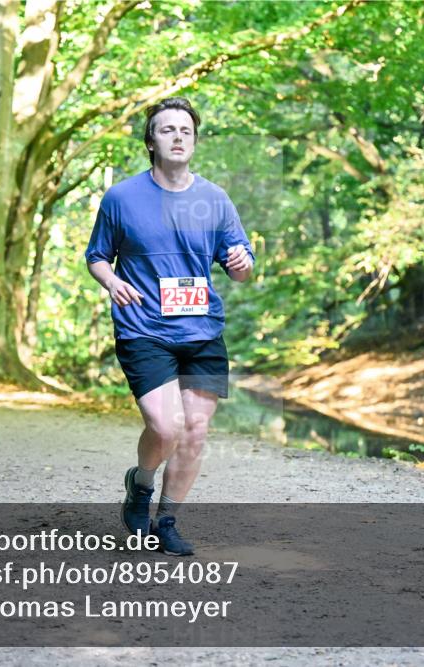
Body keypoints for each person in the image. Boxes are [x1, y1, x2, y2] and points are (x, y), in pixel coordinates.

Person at [85, 97, 255, 556]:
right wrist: (112, 280)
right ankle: (140, 484)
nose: (178, 136)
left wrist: (242, 261)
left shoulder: (215, 199)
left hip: (201, 330)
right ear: (150, 141)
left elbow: (240, 263)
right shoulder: (122, 197)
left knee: (195, 430)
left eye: (186, 130)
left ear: (194, 141)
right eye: (167, 129)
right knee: (165, 426)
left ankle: (168, 520)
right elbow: (97, 256)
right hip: (144, 327)